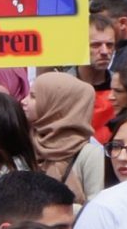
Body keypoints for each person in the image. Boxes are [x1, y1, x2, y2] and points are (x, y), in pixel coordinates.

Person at [30, 71, 107, 202]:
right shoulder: (29, 142)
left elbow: (95, 204)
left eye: (33, 97)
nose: (23, 101)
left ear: (56, 105)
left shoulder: (89, 153)